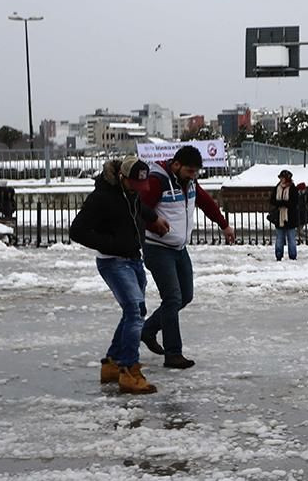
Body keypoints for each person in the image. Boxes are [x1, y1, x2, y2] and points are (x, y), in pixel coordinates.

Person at [69, 157, 171, 394]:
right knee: (135, 312)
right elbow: (77, 231)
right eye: (135, 185)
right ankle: (129, 370)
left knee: (133, 311)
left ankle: (112, 364)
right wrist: (111, 244)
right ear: (122, 178)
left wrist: (153, 218)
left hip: (134, 259)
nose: (139, 189)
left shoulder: (130, 193)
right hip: (113, 262)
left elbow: (136, 207)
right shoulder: (101, 198)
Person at [135, 145, 236, 369]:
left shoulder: (189, 182)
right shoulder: (157, 181)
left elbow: (206, 202)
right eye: (190, 171)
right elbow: (138, 208)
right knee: (172, 298)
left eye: (196, 172)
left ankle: (148, 330)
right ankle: (173, 354)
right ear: (176, 165)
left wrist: (224, 225)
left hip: (179, 249)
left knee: (185, 296)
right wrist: (154, 223)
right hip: (158, 248)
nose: (193, 176)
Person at [269, 169, 300, 261]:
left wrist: (284, 203)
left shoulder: (292, 188)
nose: (281, 180)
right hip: (279, 217)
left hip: (290, 217)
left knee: (291, 238)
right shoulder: (277, 187)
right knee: (279, 238)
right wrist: (280, 203)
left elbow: (294, 202)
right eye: (280, 178)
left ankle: (292, 255)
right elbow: (272, 200)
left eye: (283, 178)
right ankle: (278, 255)